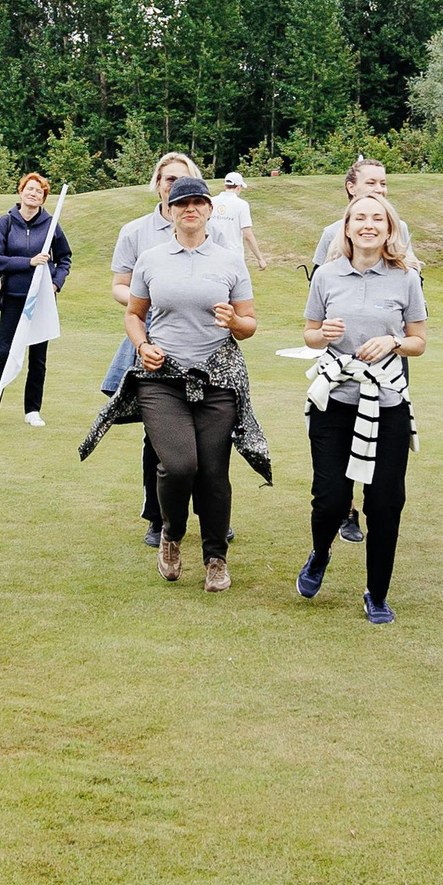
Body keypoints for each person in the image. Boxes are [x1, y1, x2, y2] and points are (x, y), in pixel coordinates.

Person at [300, 194, 426, 622]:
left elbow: (418, 342)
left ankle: (376, 593)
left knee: (386, 502)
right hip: (334, 402)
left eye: (378, 218)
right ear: (347, 227)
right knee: (331, 499)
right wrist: (323, 334)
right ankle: (320, 554)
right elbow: (310, 335)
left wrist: (393, 341)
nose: (368, 224)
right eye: (360, 218)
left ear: (389, 229)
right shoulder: (327, 275)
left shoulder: (405, 277)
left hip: (386, 402)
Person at [129, 176, 258, 590]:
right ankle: (171, 534)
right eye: (182, 203)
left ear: (209, 209)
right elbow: (134, 314)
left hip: (216, 378)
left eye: (198, 202)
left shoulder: (228, 260)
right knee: (180, 464)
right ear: (169, 211)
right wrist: (142, 343)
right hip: (162, 378)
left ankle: (216, 557)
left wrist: (235, 322)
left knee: (214, 472)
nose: (190, 209)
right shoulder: (150, 259)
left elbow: (249, 323)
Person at [105, 152, 201, 551]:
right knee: (158, 435)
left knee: (207, 433)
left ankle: (208, 512)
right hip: (150, 340)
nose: (174, 185)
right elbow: (119, 286)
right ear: (157, 184)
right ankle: (157, 516)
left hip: (200, 344)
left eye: (183, 179)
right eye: (168, 179)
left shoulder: (211, 227)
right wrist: (149, 302)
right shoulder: (137, 231)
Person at [0, 172, 72, 425]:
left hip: (42, 301)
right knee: (4, 353)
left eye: (39, 191)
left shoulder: (51, 224)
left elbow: (64, 258)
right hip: (12, 298)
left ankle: (32, 410)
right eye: (29, 189)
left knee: (38, 357)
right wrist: (29, 262)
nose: (33, 194)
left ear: (43, 198)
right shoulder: (6, 222)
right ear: (21, 192)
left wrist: (56, 283)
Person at [311, 158, 416, 270]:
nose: (379, 189)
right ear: (351, 188)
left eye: (383, 184)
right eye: (371, 183)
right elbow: (318, 279)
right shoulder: (332, 232)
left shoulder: (399, 228)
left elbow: (411, 271)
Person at [213, 170, 266, 272]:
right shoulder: (241, 205)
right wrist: (260, 259)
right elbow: (248, 236)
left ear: (225, 186)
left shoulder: (212, 201)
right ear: (238, 187)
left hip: (213, 254)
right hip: (233, 256)